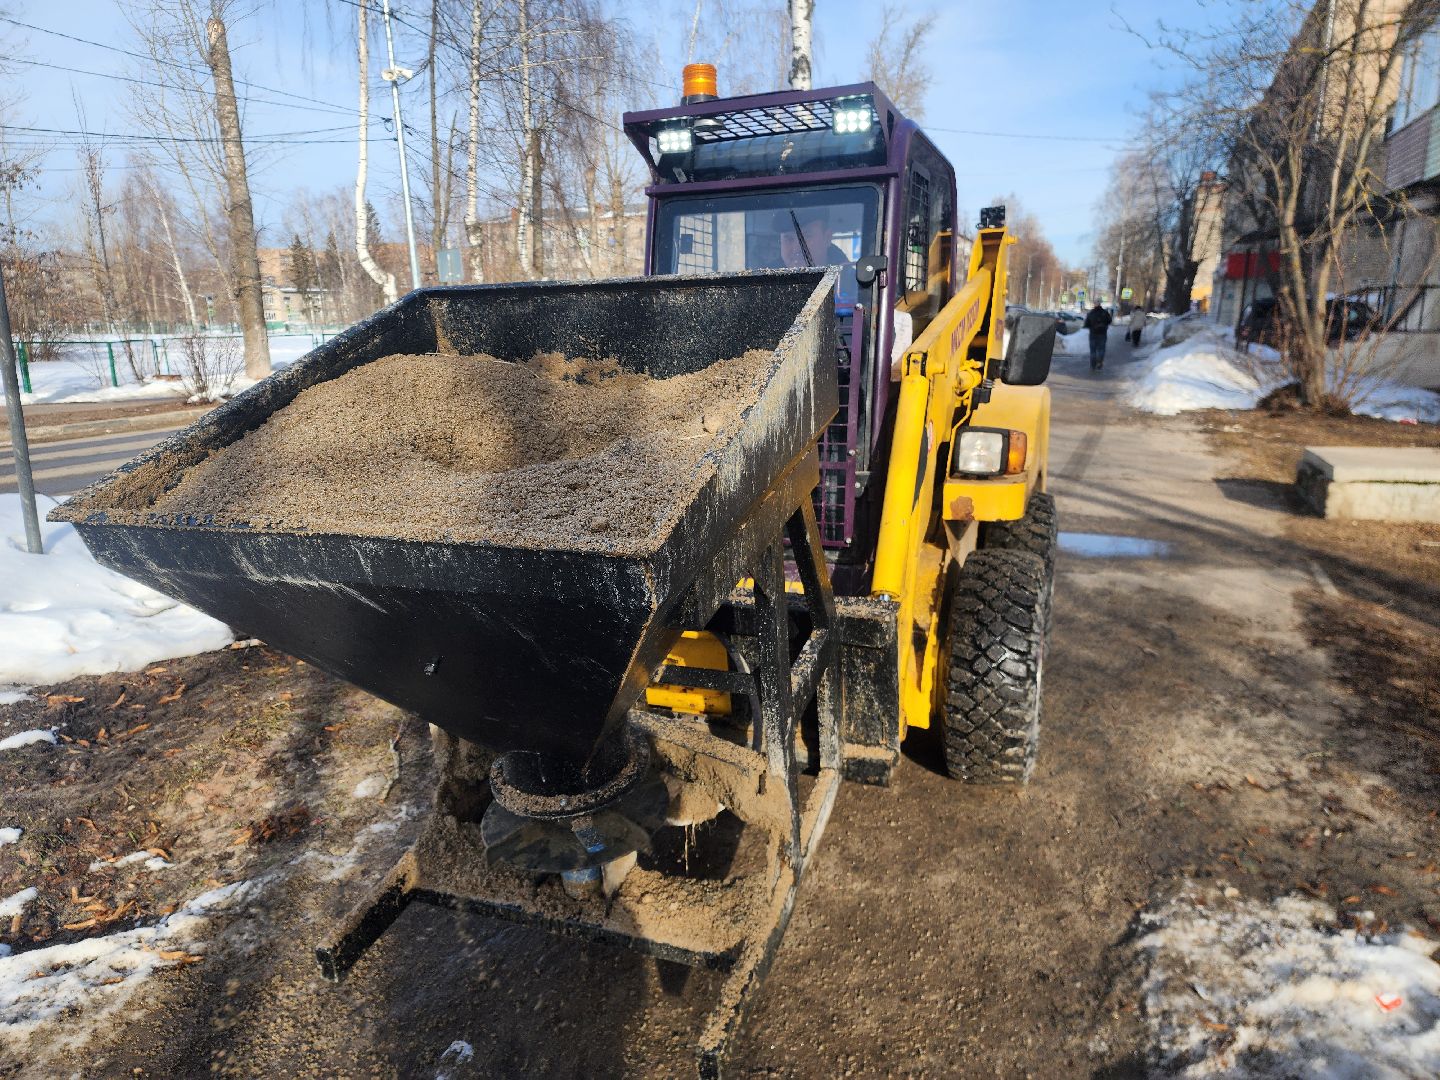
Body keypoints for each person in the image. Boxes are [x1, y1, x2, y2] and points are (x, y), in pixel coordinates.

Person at [776, 207, 850, 268]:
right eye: (788, 238)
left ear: (827, 238)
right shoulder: (766, 281)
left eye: (806, 237)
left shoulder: (853, 283)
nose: (796, 248)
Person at [1083, 302, 1112, 370]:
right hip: (1102, 333)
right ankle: (1099, 362)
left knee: (1093, 350)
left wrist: (1091, 326)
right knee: (1101, 349)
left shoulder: (1091, 313)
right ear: (1100, 305)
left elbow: (1086, 324)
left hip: (1093, 334)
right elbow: (1110, 321)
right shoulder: (1105, 312)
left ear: (1094, 305)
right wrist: (1104, 325)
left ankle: (1093, 365)